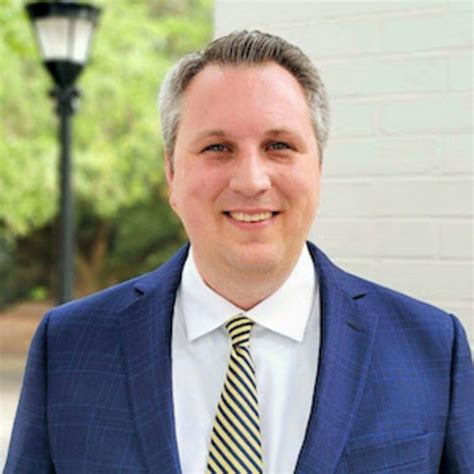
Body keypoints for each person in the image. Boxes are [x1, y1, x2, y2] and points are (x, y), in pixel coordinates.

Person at [5, 30, 473, 474]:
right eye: (218, 147)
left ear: (318, 168)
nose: (251, 181)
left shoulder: (432, 349)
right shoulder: (69, 348)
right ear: (171, 174)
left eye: (279, 145)